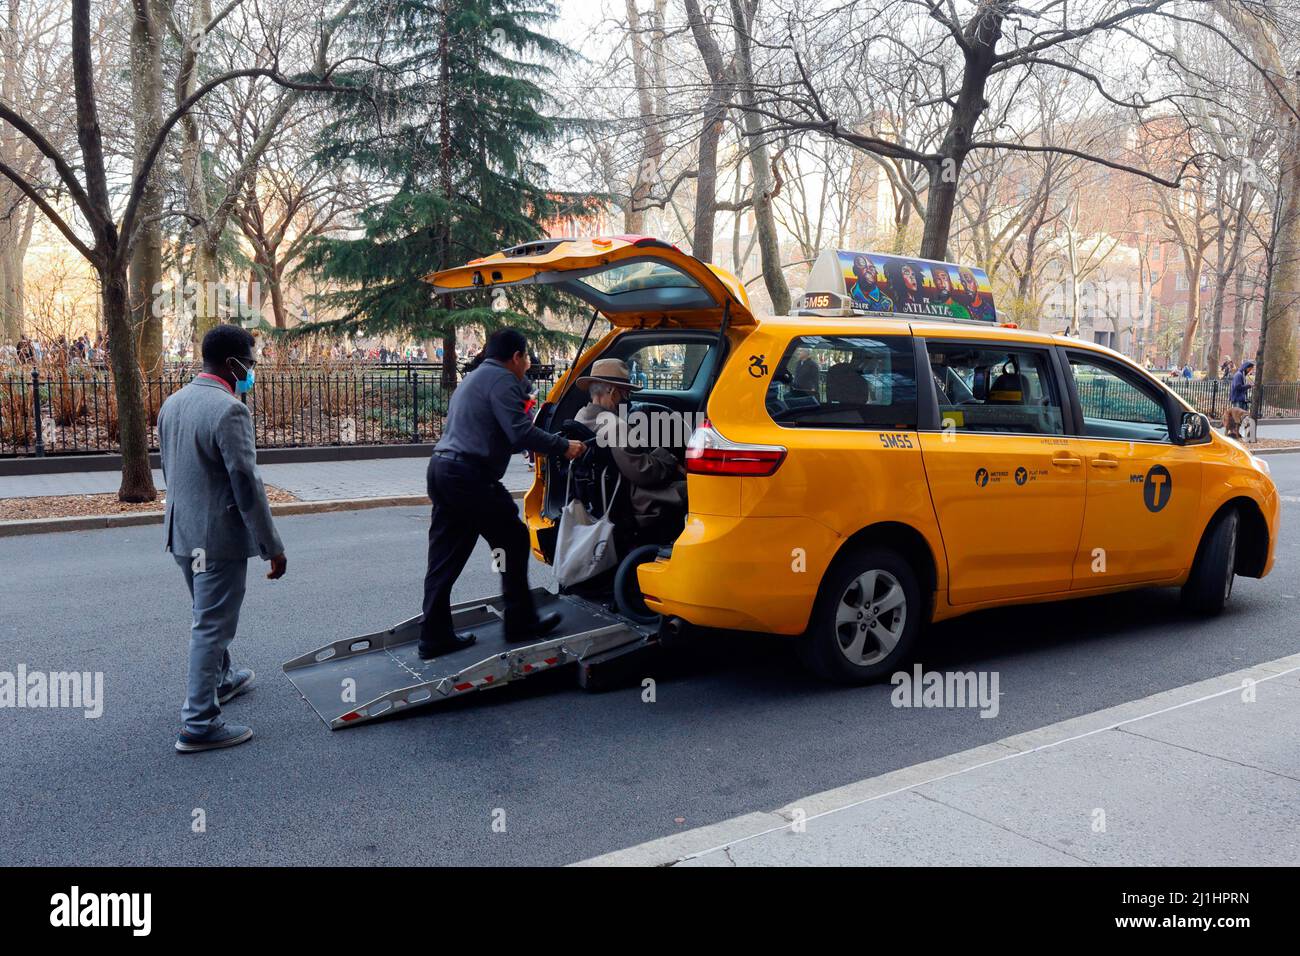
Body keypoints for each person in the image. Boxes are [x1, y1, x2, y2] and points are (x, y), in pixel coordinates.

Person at [158, 324, 286, 753]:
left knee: (205, 613)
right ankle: (199, 723)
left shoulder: (173, 403)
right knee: (210, 626)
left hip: (183, 534)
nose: (252, 371)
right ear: (232, 364)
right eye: (249, 363)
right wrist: (272, 545)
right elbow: (246, 483)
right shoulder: (230, 410)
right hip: (217, 539)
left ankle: (224, 679)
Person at [419, 328, 584, 658]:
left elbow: (497, 433)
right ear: (517, 356)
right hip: (469, 476)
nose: (527, 366)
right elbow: (520, 432)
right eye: (526, 359)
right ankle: (519, 622)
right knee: (513, 538)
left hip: (443, 469)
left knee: (444, 557)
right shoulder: (502, 380)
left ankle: (434, 636)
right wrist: (562, 446)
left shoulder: (476, 379)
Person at [575, 358, 687, 541]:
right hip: (631, 501)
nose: (627, 400)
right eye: (625, 394)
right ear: (611, 392)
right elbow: (643, 472)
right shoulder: (615, 426)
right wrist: (670, 461)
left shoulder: (580, 417)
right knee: (690, 490)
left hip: (600, 499)